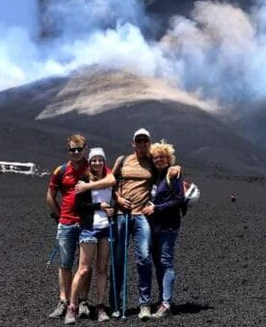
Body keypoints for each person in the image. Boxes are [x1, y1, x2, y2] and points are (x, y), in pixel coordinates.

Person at [75, 128, 181, 321]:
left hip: (142, 217)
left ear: (148, 143)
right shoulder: (122, 160)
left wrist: (176, 167)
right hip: (122, 216)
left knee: (144, 259)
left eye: (145, 141)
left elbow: (165, 170)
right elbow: (110, 181)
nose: (141, 144)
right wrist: (117, 198)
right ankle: (115, 304)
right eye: (138, 141)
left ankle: (144, 305)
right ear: (133, 143)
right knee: (117, 261)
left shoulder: (152, 161)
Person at [65, 147, 115, 324]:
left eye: (100, 159)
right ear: (90, 162)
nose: (97, 163)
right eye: (94, 160)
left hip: (106, 229)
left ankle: (100, 306)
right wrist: (98, 206)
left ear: (104, 161)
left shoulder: (109, 180)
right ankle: (72, 307)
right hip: (89, 228)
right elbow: (78, 206)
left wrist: (111, 210)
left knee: (102, 269)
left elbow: (112, 200)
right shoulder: (83, 180)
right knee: (84, 269)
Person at [46, 134, 91, 319]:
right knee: (65, 264)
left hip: (87, 223)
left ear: (85, 149)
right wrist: (59, 216)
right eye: (72, 149)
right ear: (68, 149)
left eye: (79, 149)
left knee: (84, 265)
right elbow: (50, 196)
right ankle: (63, 301)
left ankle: (83, 301)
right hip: (66, 223)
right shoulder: (61, 170)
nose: (76, 152)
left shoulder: (93, 168)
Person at [142, 140, 185, 319]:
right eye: (156, 157)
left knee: (166, 262)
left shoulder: (172, 175)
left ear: (168, 159)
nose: (159, 160)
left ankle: (166, 303)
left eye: (162, 157)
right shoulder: (155, 176)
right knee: (158, 263)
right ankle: (162, 300)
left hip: (168, 226)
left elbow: (179, 199)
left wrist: (156, 208)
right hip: (153, 227)